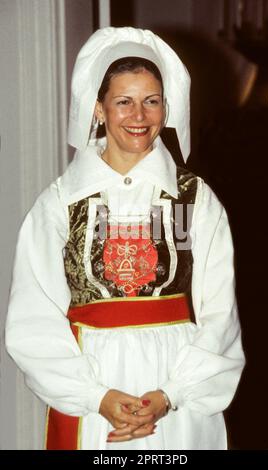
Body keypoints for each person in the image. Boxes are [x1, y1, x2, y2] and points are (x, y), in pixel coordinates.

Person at [5, 26, 245, 450]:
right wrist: (96, 397)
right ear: (98, 109)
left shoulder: (195, 199)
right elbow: (34, 317)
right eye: (124, 102)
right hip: (95, 395)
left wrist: (170, 394)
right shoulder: (59, 204)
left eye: (151, 101)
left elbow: (220, 311)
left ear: (165, 108)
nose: (139, 116)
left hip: (175, 398)